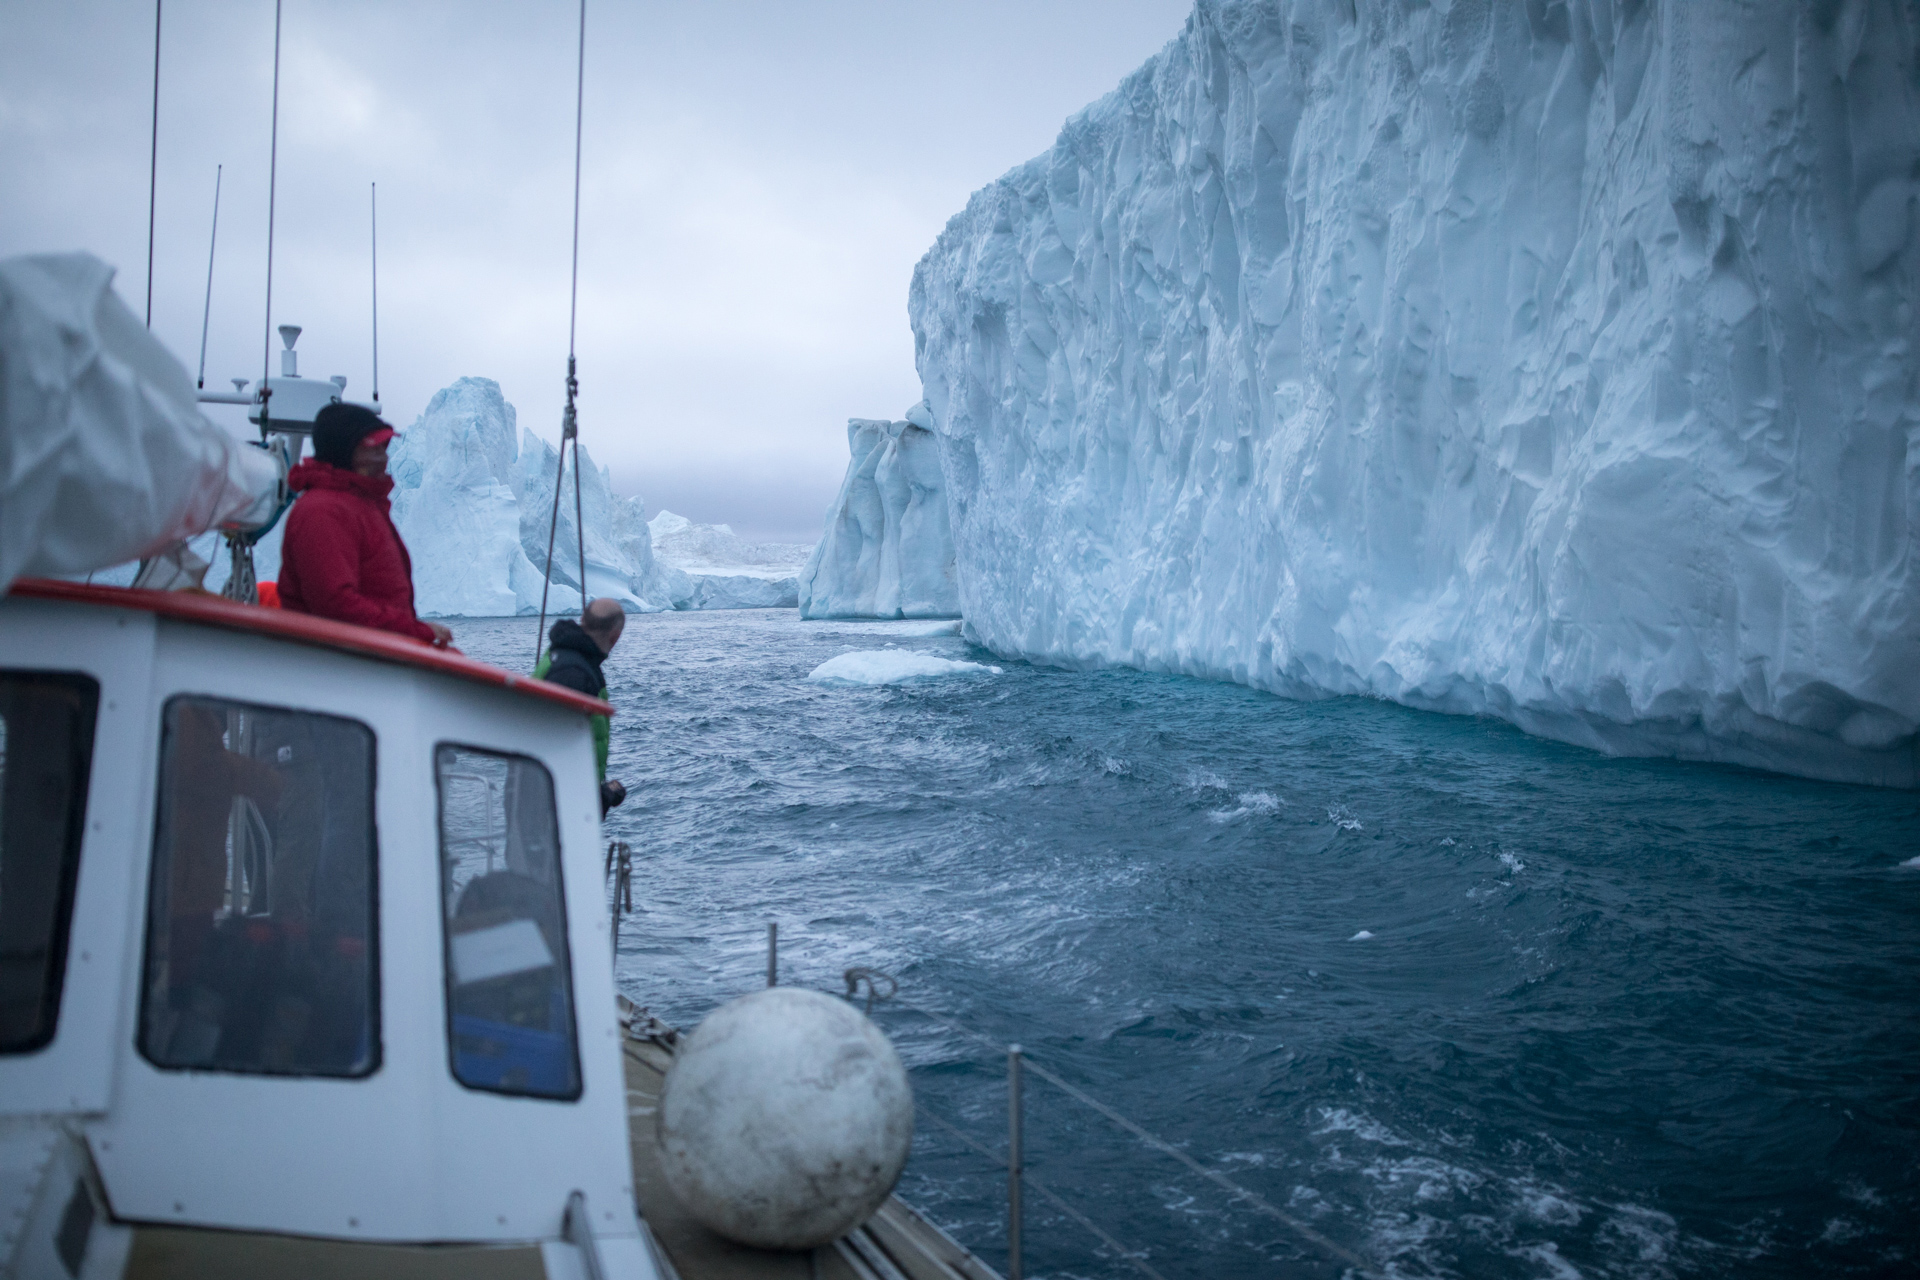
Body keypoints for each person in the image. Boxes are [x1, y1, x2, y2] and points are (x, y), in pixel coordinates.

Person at [279, 403, 452, 648]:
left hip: (367, 658)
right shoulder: (323, 512)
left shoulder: (359, 505)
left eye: (384, 448)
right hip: (339, 669)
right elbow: (335, 604)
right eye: (373, 448)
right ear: (345, 451)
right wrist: (414, 631)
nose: (384, 458)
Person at [536, 598, 626, 815]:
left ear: (583, 620)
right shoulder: (573, 674)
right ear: (615, 636)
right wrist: (601, 798)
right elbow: (555, 749)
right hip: (554, 811)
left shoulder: (564, 657)